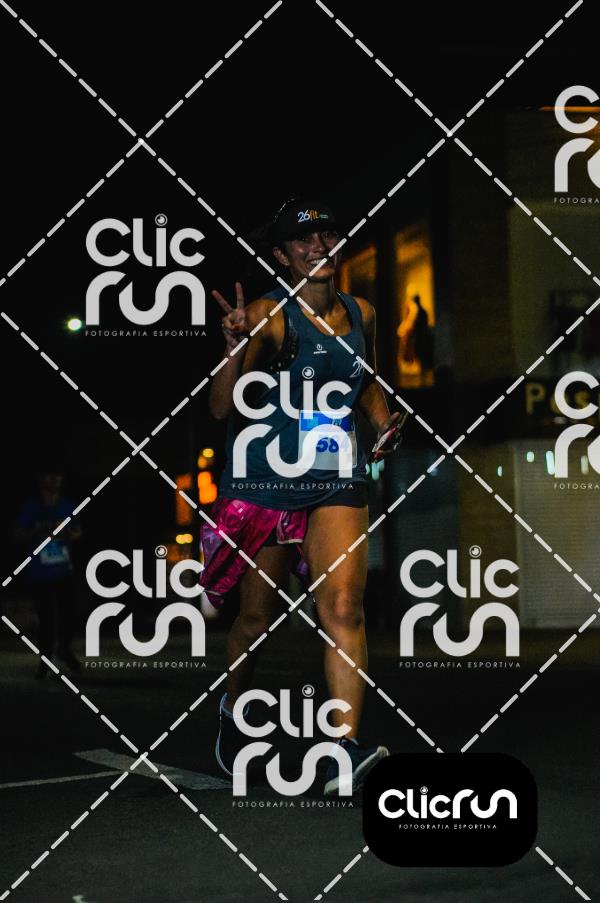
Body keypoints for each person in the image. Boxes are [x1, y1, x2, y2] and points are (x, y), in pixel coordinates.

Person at [206, 198, 402, 795]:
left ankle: (342, 750)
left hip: (335, 474)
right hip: (266, 482)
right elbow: (221, 408)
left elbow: (361, 380)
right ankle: (234, 712)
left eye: (327, 235)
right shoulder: (268, 316)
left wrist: (382, 420)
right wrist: (234, 345)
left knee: (343, 608)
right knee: (256, 620)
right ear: (281, 255)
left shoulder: (361, 311)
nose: (319, 246)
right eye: (303, 240)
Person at [14, 470, 82, 680]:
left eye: (58, 477)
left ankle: (64, 648)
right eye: (50, 477)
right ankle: (45, 662)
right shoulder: (31, 508)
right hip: (39, 572)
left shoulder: (67, 505)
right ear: (41, 481)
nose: (54, 481)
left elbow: (78, 531)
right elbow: (17, 534)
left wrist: (69, 533)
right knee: (46, 620)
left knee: (69, 614)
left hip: (63, 570)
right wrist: (36, 530)